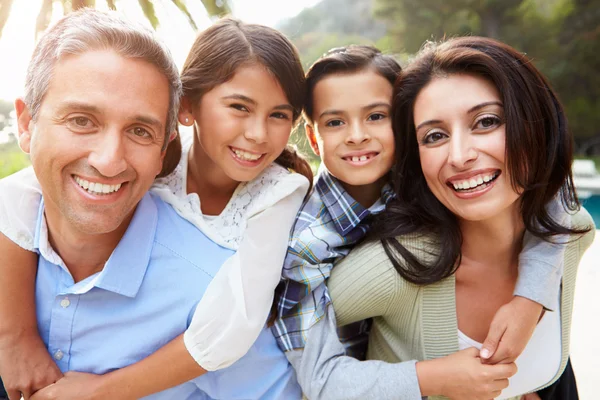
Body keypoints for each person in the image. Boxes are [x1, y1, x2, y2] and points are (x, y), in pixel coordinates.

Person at [0, 9, 308, 400]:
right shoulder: (161, 166)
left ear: (162, 145)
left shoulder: (274, 198)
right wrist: (15, 334)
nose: (109, 160)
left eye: (279, 115)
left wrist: (104, 392)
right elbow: (19, 191)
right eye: (81, 120)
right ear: (187, 112)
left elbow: (234, 326)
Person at [272, 42, 578, 400]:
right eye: (336, 122)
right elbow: (316, 375)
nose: (357, 135)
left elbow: (553, 195)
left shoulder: (419, 179)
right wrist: (432, 377)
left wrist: (530, 298)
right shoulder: (310, 246)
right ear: (314, 136)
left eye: (375, 116)